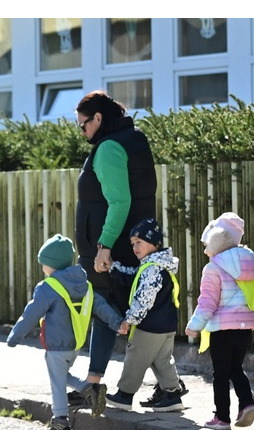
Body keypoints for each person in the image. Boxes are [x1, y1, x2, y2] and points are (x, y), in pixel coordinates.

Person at [72, 90, 157, 411]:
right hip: (134, 242)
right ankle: (94, 384)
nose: (82, 132)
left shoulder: (109, 148)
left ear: (98, 118)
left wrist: (104, 246)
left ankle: (167, 387)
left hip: (115, 248)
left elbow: (119, 201)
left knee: (110, 312)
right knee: (127, 314)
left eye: (83, 125)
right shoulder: (133, 138)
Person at [7, 234, 123, 430]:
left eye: (43, 263)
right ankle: (88, 389)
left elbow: (31, 313)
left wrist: (15, 336)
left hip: (56, 346)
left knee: (57, 384)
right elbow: (101, 306)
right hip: (75, 345)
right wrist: (117, 322)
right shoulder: (84, 285)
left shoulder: (48, 288)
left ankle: (61, 422)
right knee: (60, 376)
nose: (42, 267)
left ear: (51, 265)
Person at [185, 213, 254, 430]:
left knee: (221, 374)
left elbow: (207, 302)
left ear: (217, 239)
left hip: (222, 330)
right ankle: (247, 403)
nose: (205, 249)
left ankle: (222, 417)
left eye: (207, 244)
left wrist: (194, 326)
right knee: (236, 368)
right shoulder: (251, 267)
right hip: (244, 329)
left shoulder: (213, 268)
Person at [103, 219, 186, 412]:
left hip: (149, 326)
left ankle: (124, 395)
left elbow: (144, 299)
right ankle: (172, 394)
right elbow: (133, 275)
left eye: (139, 242)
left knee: (135, 359)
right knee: (162, 361)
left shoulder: (151, 269)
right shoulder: (159, 265)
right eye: (132, 243)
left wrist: (129, 319)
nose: (134, 248)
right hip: (167, 325)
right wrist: (113, 267)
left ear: (154, 243)